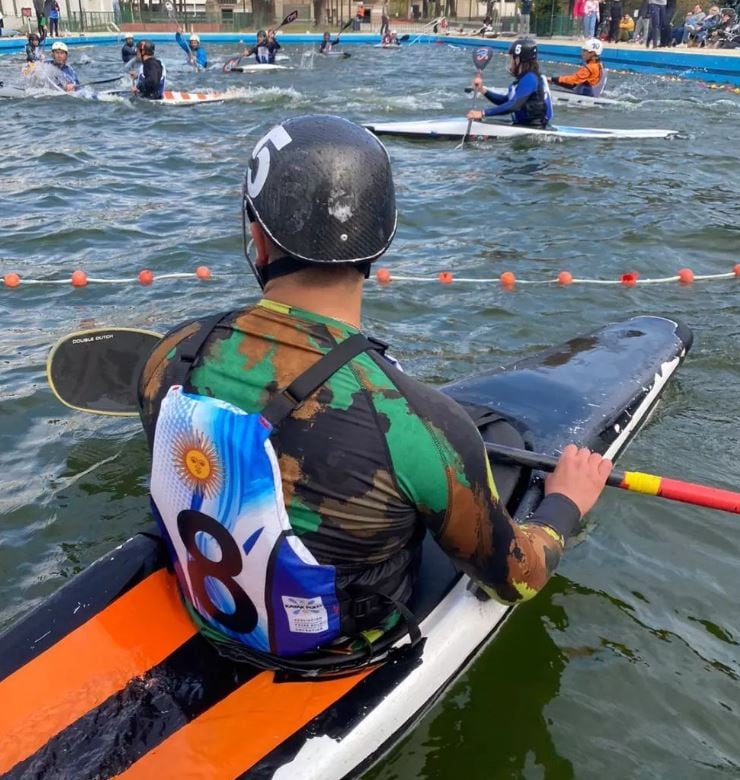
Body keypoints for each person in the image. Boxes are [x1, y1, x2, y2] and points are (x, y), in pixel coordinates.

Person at [137, 113, 612, 660]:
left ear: (259, 239)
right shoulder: (421, 422)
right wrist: (564, 508)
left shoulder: (171, 354)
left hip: (213, 612)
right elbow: (518, 581)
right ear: (378, 244)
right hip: (341, 652)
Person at [466, 38, 553, 128]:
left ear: (518, 60)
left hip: (534, 128)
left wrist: (483, 113)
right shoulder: (526, 78)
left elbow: (514, 105)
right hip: (524, 125)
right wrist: (482, 90)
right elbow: (506, 101)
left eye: (512, 59)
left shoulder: (530, 78)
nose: (511, 63)